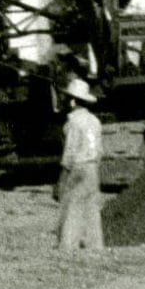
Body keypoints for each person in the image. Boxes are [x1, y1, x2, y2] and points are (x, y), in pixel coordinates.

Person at [55, 73, 104, 254]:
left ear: (73, 101)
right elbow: (99, 149)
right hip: (93, 166)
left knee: (73, 204)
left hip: (79, 165)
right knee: (91, 206)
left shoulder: (72, 122)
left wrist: (61, 179)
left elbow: (70, 152)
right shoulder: (95, 121)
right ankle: (94, 244)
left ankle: (69, 244)